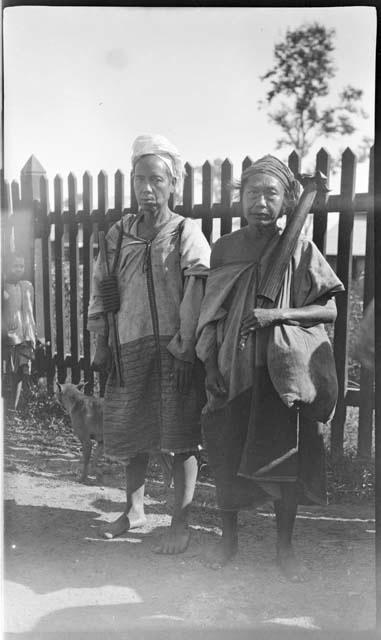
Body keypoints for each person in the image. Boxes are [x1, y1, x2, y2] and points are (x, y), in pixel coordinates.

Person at [196, 155, 344, 580]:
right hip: (233, 368)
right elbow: (212, 314)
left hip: (282, 376)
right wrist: (210, 366)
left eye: (271, 194)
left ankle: (285, 549)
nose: (261, 201)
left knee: (286, 460)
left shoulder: (298, 247)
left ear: (286, 202)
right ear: (239, 198)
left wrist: (275, 316)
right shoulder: (224, 248)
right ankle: (228, 543)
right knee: (227, 452)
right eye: (252, 193)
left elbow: (328, 312)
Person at [88, 134, 210, 553]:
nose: (146, 189)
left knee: (180, 436)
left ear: (173, 184)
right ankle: (134, 509)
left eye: (156, 180)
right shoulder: (117, 235)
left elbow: (198, 291)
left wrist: (186, 346)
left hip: (175, 351)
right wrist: (102, 342)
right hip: (128, 349)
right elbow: (103, 287)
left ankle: (181, 520)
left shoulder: (185, 233)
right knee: (132, 430)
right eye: (139, 179)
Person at [2, 252, 37, 409]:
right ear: (8, 267)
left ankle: (14, 408)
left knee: (21, 372)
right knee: (8, 371)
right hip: (9, 336)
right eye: (15, 266)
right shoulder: (4, 288)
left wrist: (31, 334)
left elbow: (29, 312)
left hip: (24, 335)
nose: (18, 269)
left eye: (21, 266)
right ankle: (6, 407)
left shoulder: (27, 286)